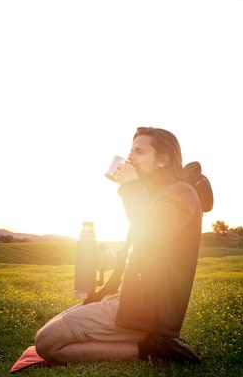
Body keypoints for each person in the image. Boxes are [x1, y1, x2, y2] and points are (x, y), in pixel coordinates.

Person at [35, 127, 209, 365]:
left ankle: (151, 348)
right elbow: (151, 248)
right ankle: (146, 343)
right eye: (131, 150)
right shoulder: (156, 194)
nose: (130, 157)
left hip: (147, 310)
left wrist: (130, 186)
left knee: (46, 341)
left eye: (139, 151)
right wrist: (114, 261)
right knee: (54, 326)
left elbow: (155, 230)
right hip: (130, 298)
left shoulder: (182, 193)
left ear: (163, 159)